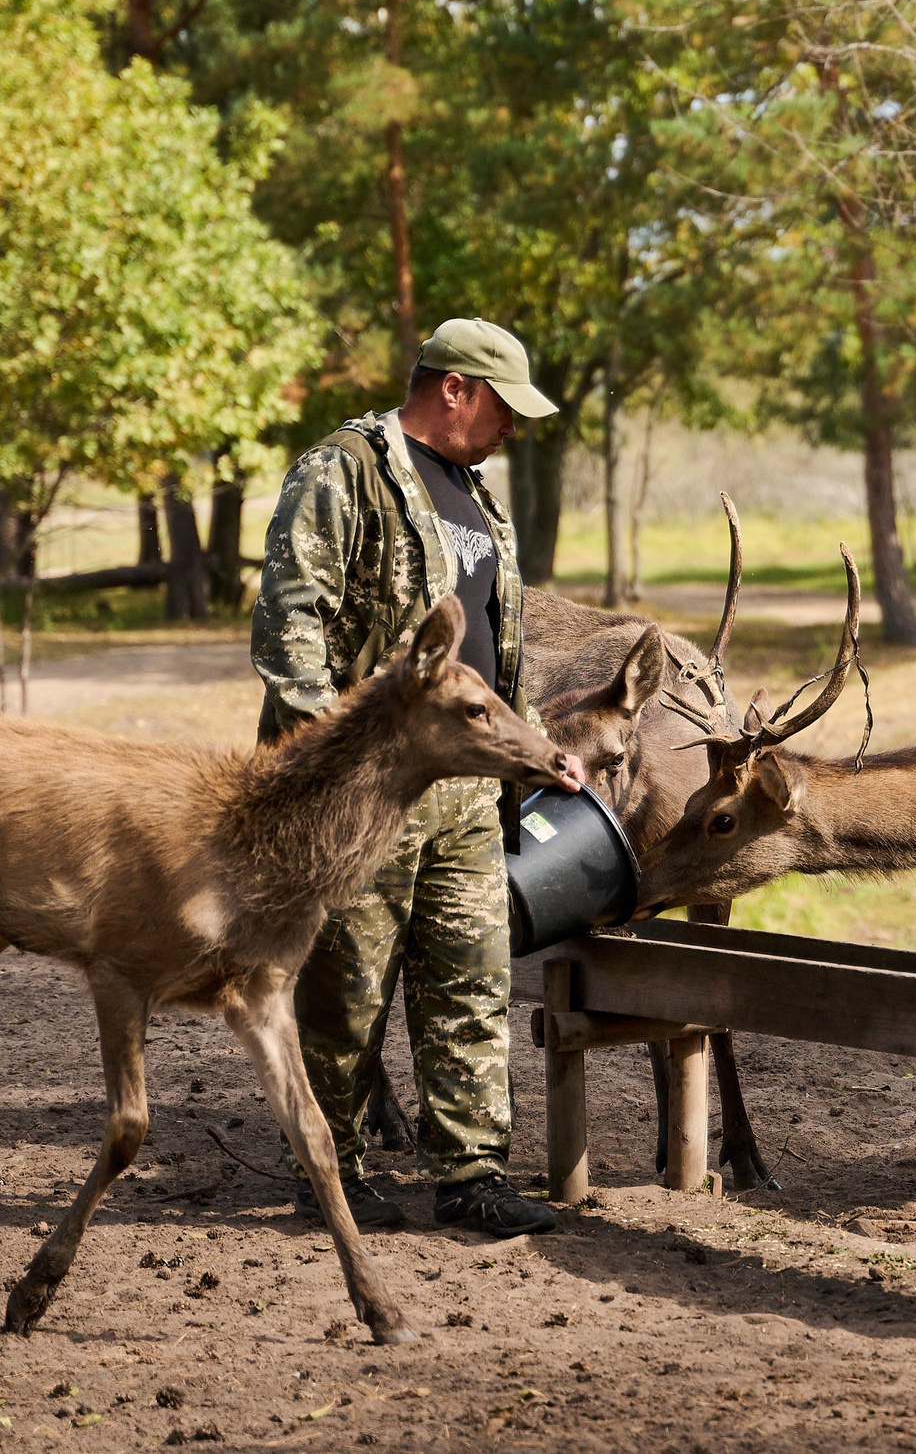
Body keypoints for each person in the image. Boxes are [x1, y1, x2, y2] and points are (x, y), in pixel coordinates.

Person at [249, 318, 568, 1238]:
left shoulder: (478, 495)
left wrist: (534, 745)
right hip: (368, 791)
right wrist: (335, 768)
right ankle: (328, 1172)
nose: (513, 428)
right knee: (345, 990)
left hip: (465, 788)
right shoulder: (342, 470)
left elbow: (495, 648)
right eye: (504, 407)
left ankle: (472, 1175)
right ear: (455, 388)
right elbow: (288, 627)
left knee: (473, 976)